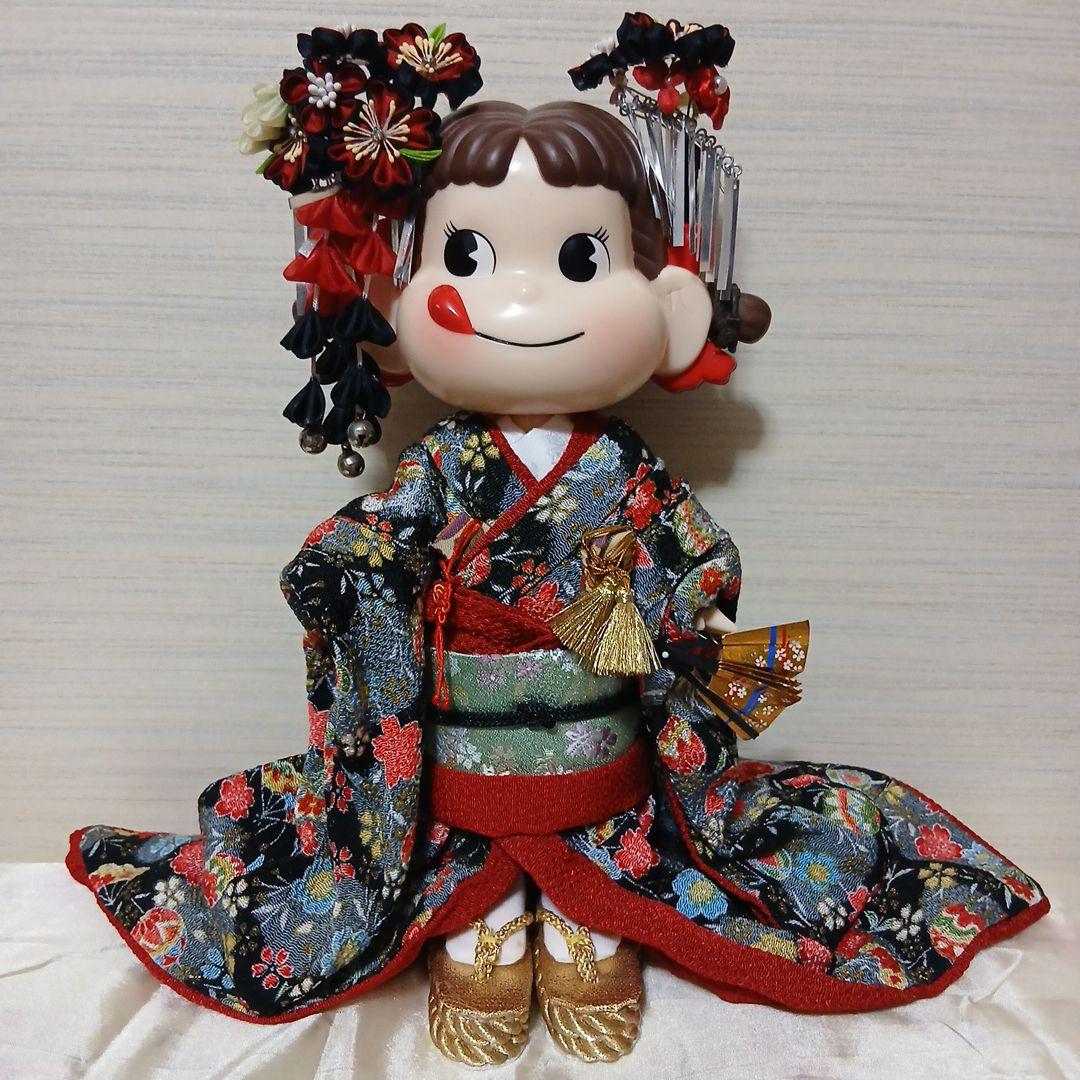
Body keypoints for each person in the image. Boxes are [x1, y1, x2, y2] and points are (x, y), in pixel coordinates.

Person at [68, 99, 1046, 1066]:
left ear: (670, 305)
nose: (523, 301)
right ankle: (484, 914)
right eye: (466, 258)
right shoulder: (445, 465)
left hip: (600, 759)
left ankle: (584, 915)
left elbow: (689, 550)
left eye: (581, 260)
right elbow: (374, 543)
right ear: (393, 302)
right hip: (463, 764)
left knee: (606, 847)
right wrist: (359, 568)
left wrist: (689, 601)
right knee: (461, 845)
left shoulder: (620, 470)